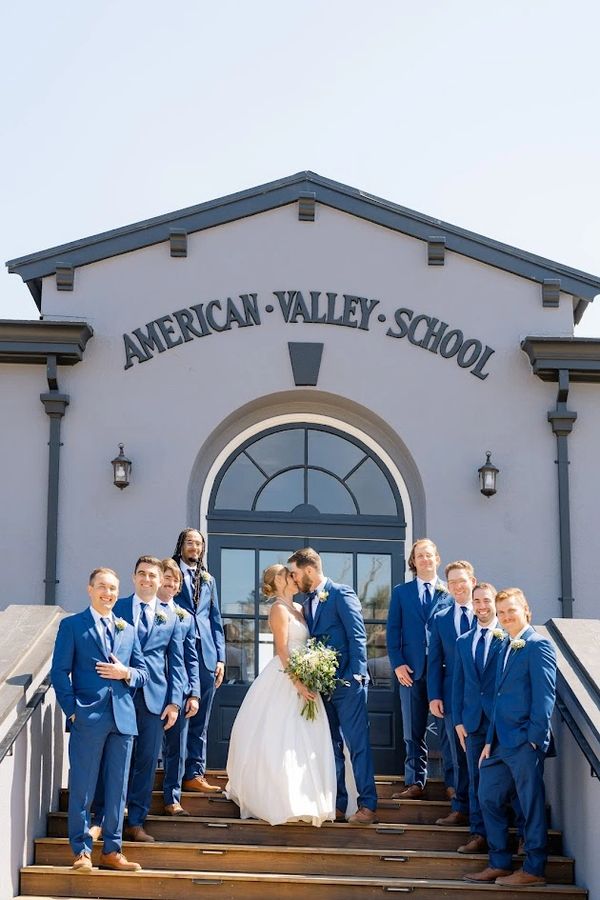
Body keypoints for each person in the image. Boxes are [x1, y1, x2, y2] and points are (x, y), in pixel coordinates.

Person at [50, 567, 147, 873]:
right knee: (83, 785)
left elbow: (143, 673)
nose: (109, 594)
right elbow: (59, 672)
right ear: (90, 589)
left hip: (123, 718)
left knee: (118, 789)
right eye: (103, 587)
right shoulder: (72, 626)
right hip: (88, 716)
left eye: (113, 589)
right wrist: (73, 710)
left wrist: (126, 673)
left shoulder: (128, 629)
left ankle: (113, 851)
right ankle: (81, 851)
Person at [225, 564, 336, 825]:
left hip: (307, 675)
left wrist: (314, 670)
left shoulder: (299, 608)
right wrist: (297, 682)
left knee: (307, 740)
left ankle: (307, 797)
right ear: (277, 581)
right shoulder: (277, 608)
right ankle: (282, 800)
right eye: (286, 573)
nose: (292, 576)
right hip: (287, 676)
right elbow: (283, 649)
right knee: (283, 737)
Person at [465, 588, 557, 887]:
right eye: (501, 612)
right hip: (499, 743)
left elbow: (545, 697)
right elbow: (497, 698)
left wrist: (534, 740)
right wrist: (490, 740)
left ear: (525, 610)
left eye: (511, 611)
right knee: (487, 797)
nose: (505, 617)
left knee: (530, 804)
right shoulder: (504, 645)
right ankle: (500, 862)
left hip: (524, 742)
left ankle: (534, 868)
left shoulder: (538, 645)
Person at [94, 555, 185, 842]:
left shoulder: (172, 617)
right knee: (111, 759)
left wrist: (174, 702)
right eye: (142, 574)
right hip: (118, 696)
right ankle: (101, 818)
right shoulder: (116, 608)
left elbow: (177, 662)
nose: (147, 579)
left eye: (152, 576)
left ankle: (135, 822)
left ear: (160, 582)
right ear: (134, 578)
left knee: (145, 762)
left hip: (154, 699)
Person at [288, 547, 378, 825]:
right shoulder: (307, 603)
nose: (293, 578)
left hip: (348, 684)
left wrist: (357, 675)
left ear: (310, 570)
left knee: (357, 744)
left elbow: (357, 635)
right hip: (323, 687)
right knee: (332, 746)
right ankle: (338, 804)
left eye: (295, 572)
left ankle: (368, 805)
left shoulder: (341, 593)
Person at [386, 538, 452, 799]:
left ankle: (452, 783)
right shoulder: (401, 593)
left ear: (437, 559)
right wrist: (397, 663)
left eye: (429, 555)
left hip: (442, 672)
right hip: (410, 672)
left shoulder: (449, 593)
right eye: (419, 556)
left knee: (447, 730)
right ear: (414, 562)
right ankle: (415, 782)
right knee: (412, 732)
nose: (425, 560)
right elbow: (393, 631)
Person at [452, 582, 505, 852]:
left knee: (507, 782)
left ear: (495, 603)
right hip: (472, 723)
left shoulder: (508, 637)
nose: (482, 606)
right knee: (475, 779)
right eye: (477, 601)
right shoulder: (463, 641)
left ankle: (512, 836)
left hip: (503, 723)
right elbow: (458, 682)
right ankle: (478, 834)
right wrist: (458, 721)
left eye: (486, 601)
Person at [173, 528, 225, 794]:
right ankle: (173, 771)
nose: (194, 547)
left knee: (201, 718)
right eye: (190, 542)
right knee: (176, 713)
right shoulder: (170, 571)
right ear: (181, 545)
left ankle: (195, 773)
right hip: (176, 651)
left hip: (205, 655)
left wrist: (221, 658)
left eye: (198, 543)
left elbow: (215, 619)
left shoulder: (208, 580)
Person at [427, 560, 476, 826]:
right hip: (450, 695)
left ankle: (483, 810)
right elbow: (434, 660)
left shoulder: (485, 613)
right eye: (453, 582)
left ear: (473, 581)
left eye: (462, 580)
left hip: (482, 697)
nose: (457, 586)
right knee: (456, 754)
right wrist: (434, 695)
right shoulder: (441, 618)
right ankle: (460, 808)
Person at [158, 558, 201, 816]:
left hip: (180, 690)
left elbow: (191, 657)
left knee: (177, 748)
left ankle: (172, 799)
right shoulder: (143, 611)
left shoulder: (184, 617)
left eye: (176, 580)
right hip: (149, 689)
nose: (172, 583)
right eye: (168, 578)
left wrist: (194, 693)